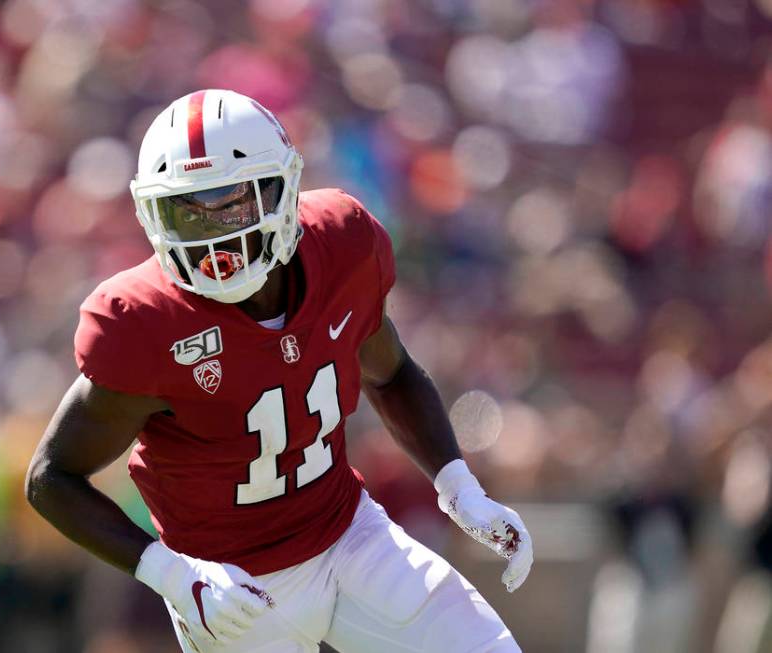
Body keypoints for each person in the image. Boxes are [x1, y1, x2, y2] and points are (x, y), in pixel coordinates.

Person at [27, 89, 532, 653]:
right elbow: (51, 477)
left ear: (282, 190)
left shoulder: (343, 244)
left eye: (230, 203)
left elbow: (390, 373)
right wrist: (172, 576)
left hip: (350, 536)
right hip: (234, 591)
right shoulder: (144, 322)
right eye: (186, 211)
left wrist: (458, 487)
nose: (214, 236)